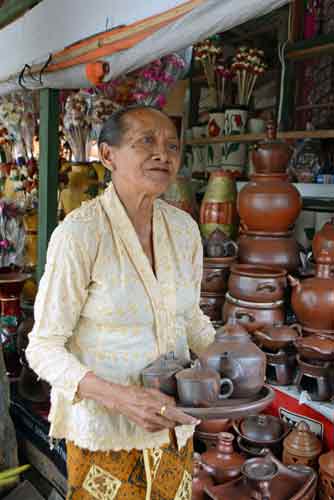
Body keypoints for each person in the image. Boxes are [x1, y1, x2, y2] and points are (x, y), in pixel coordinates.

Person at [26, 105, 215, 500]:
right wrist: (122, 398)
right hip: (105, 433)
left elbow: (190, 317)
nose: (164, 154)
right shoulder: (79, 234)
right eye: (147, 141)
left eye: (172, 145)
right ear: (107, 155)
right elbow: (43, 348)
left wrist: (231, 356)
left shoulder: (184, 230)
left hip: (171, 424)